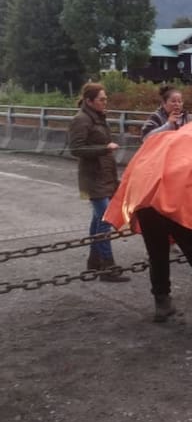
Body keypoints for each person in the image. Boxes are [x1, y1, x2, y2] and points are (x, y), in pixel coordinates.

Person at [104, 120, 192, 333]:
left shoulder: (162, 140)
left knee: (157, 254)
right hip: (178, 205)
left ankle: (162, 304)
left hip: (146, 202)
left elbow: (134, 169)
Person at [68, 82, 130, 282]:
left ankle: (94, 261)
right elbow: (75, 149)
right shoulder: (82, 119)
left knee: (98, 220)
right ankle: (107, 265)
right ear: (89, 101)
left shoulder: (97, 117)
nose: (105, 102)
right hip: (92, 179)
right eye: (101, 99)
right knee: (105, 220)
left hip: (104, 176)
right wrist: (104, 148)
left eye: (105, 99)